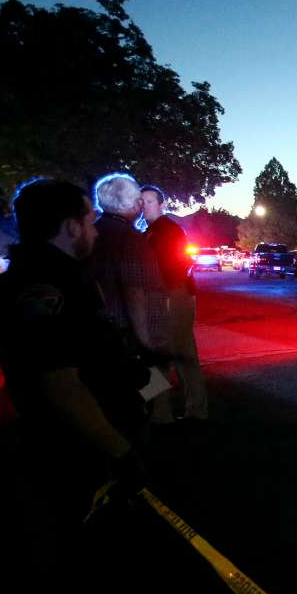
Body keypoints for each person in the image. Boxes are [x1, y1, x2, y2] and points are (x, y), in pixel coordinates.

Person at [0, 179, 150, 594]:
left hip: (88, 437)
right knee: (91, 563)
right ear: (69, 227)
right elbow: (59, 385)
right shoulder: (45, 288)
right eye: (90, 221)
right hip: (81, 453)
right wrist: (120, 452)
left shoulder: (43, 278)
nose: (95, 231)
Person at [90, 172, 171, 423]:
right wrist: (146, 340)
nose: (140, 204)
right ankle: (150, 421)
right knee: (149, 382)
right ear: (126, 204)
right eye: (137, 200)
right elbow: (134, 290)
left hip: (102, 331)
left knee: (111, 397)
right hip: (131, 334)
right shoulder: (131, 239)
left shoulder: (93, 233)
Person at [140, 184, 208, 422]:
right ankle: (193, 409)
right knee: (182, 355)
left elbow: (174, 267)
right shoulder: (149, 231)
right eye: (142, 201)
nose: (144, 206)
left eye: (149, 201)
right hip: (172, 296)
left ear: (162, 205)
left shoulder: (167, 231)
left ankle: (160, 412)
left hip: (172, 296)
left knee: (161, 355)